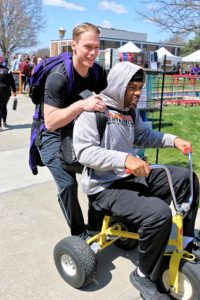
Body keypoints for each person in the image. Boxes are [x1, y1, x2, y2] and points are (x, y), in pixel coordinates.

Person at [73, 61, 200, 299]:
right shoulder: (93, 113)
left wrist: (174, 140)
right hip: (104, 186)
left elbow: (143, 135)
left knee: (187, 179)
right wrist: (125, 159)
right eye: (132, 87)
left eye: (140, 87)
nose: (138, 93)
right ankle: (143, 276)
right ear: (119, 85)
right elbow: (84, 153)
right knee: (158, 214)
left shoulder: (130, 112)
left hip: (130, 175)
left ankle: (188, 240)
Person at [38, 22, 107, 238]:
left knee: (100, 173)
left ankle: (96, 226)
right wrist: (80, 105)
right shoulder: (59, 76)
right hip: (52, 135)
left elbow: (108, 99)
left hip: (80, 131)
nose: (93, 52)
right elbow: (50, 122)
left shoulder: (97, 72)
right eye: (88, 47)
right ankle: (79, 234)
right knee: (68, 184)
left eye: (97, 47)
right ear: (73, 45)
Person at [0, 54, 17, 131]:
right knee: (3, 106)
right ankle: (4, 121)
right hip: (6, 91)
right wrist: (14, 91)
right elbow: (12, 82)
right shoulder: (8, 70)